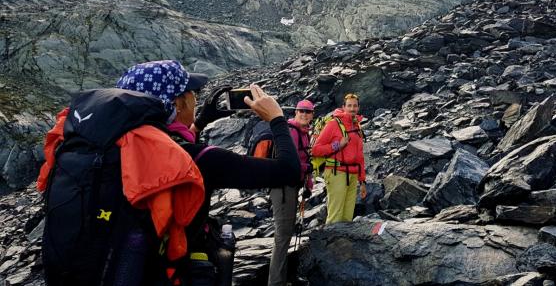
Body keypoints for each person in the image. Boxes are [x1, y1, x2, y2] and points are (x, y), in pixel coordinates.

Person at [38, 59, 300, 286]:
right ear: (178, 102)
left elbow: (166, 146)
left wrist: (199, 122)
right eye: (192, 93)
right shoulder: (201, 160)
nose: (196, 99)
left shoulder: (106, 151)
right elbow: (289, 170)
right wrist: (276, 118)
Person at [267, 99, 315, 286]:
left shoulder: (303, 133)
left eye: (308, 111)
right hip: (283, 188)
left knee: (285, 233)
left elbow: (305, 160)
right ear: (295, 112)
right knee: (282, 235)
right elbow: (290, 163)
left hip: (291, 187)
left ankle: (282, 278)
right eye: (301, 111)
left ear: (312, 115)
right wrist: (306, 168)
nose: (304, 114)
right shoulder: (292, 132)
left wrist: (308, 184)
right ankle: (276, 282)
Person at [311, 93, 366, 224]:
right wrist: (337, 145)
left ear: (358, 107)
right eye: (349, 106)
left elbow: (359, 156)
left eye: (355, 106)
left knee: (347, 217)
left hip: (352, 175)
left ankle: (342, 243)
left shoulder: (356, 126)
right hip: (337, 173)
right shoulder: (333, 124)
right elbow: (315, 150)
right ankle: (329, 242)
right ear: (343, 107)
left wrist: (362, 181)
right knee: (335, 215)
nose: (352, 109)